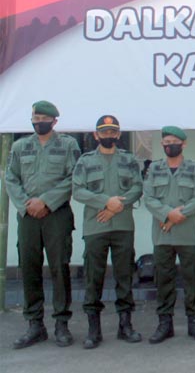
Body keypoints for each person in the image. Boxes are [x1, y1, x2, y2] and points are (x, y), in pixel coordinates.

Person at [5, 101, 80, 349]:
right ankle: (35, 325)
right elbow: (11, 178)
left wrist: (46, 201)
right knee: (29, 268)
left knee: (59, 267)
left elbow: (74, 178)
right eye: (35, 117)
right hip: (28, 216)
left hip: (56, 214)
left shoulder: (68, 145)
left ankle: (61, 324)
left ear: (54, 121)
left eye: (43, 118)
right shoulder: (20, 146)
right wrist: (26, 204)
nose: (38, 121)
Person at [72, 115, 144, 348]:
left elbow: (137, 187)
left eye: (113, 132)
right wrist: (106, 202)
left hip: (122, 225)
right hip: (96, 227)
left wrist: (114, 208)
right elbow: (78, 190)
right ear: (96, 135)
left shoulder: (129, 159)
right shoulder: (85, 161)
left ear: (118, 134)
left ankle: (126, 325)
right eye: (104, 132)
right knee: (94, 278)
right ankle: (94, 330)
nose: (109, 135)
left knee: (124, 276)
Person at [143, 126, 195, 343]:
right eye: (166, 142)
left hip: (187, 235)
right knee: (164, 280)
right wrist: (167, 214)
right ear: (162, 145)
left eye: (174, 141)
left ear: (184, 144)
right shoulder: (154, 168)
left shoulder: (194, 168)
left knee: (192, 279)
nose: (169, 145)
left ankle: (194, 322)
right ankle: (165, 324)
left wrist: (177, 215)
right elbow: (149, 198)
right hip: (163, 236)